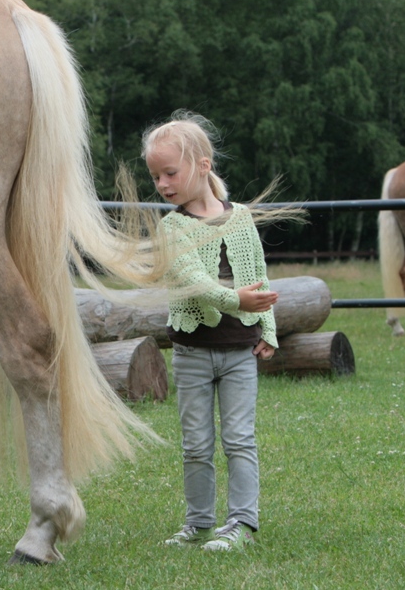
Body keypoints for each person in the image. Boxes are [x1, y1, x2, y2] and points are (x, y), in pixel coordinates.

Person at [143, 111, 280, 553]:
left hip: (239, 353)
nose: (162, 184)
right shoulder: (172, 227)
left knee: (240, 439)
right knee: (196, 444)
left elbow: (260, 275)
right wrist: (237, 301)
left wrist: (268, 328)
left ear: (202, 165)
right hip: (192, 353)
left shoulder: (240, 218)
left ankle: (241, 522)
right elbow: (193, 283)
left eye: (170, 172)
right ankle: (199, 523)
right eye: (156, 176)